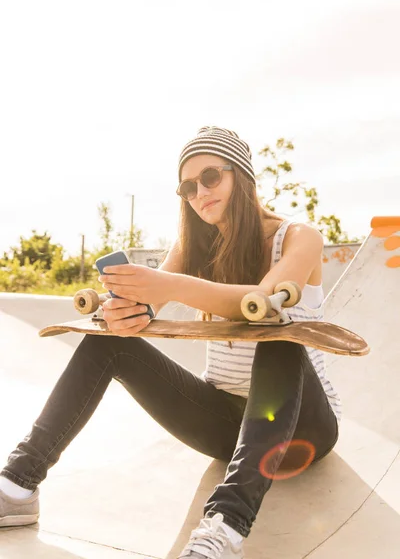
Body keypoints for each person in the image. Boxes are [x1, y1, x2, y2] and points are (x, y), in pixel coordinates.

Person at [0, 126, 341, 558]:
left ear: (242, 176)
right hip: (225, 425)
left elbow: (264, 302)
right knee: (108, 342)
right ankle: (17, 485)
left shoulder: (299, 237)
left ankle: (225, 526)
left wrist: (170, 284)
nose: (199, 192)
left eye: (211, 177)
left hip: (304, 429)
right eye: (187, 186)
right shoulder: (192, 247)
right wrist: (125, 310)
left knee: (276, 329)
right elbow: (150, 305)